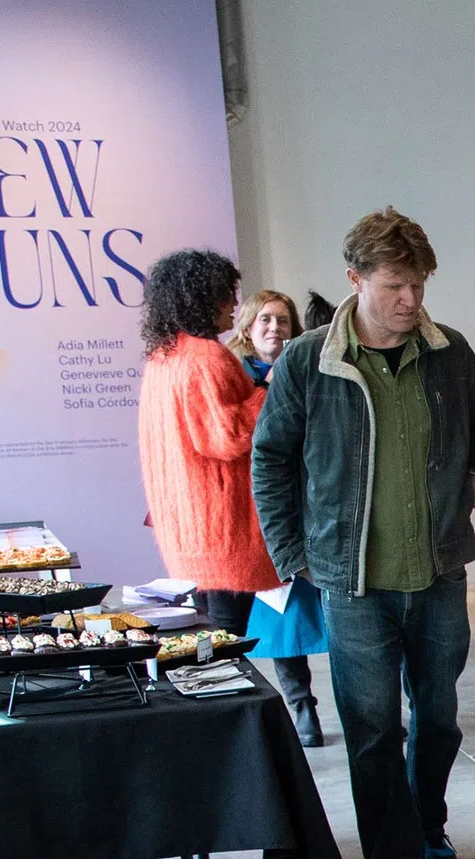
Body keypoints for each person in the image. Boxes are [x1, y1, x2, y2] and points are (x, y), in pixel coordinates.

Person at [253, 206, 475, 859]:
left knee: (440, 718)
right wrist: (294, 556)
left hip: (438, 574)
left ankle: (428, 825)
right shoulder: (307, 361)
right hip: (350, 582)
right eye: (396, 285)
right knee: (370, 730)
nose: (412, 300)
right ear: (356, 279)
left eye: (419, 284)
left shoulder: (450, 351)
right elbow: (270, 460)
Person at [135, 250, 323, 747]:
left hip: (190, 525)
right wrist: (274, 385)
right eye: (226, 293)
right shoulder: (205, 356)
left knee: (213, 639)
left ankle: (225, 737)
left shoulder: (164, 357)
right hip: (221, 525)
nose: (232, 304)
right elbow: (228, 435)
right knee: (225, 644)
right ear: (202, 296)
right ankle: (230, 744)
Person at [226, 289, 300, 386]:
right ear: (247, 330)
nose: (275, 327)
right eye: (265, 319)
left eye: (282, 321)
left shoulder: (305, 370)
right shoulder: (233, 373)